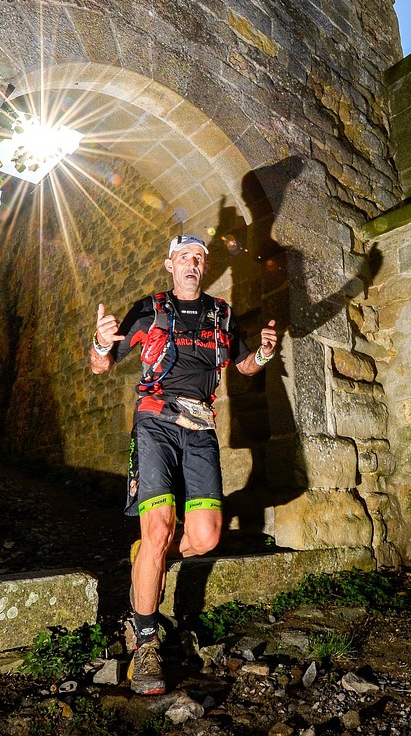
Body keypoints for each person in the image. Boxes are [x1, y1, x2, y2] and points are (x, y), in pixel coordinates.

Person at [89, 234, 277, 695]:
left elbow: (243, 366)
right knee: (157, 531)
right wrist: (98, 343)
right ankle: (146, 640)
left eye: (198, 258)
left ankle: (145, 565)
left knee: (205, 538)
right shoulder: (149, 309)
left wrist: (265, 354)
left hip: (200, 429)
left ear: (203, 266)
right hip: (155, 423)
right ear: (169, 265)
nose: (192, 264)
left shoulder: (221, 313)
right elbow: (102, 365)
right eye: (184, 258)